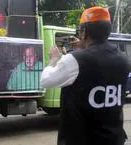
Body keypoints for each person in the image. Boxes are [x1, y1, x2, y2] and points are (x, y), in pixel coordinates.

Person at [40, 6, 129, 145]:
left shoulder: (75, 60)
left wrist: (53, 59)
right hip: (113, 138)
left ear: (84, 32)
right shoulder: (123, 59)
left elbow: (46, 81)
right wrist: (83, 49)